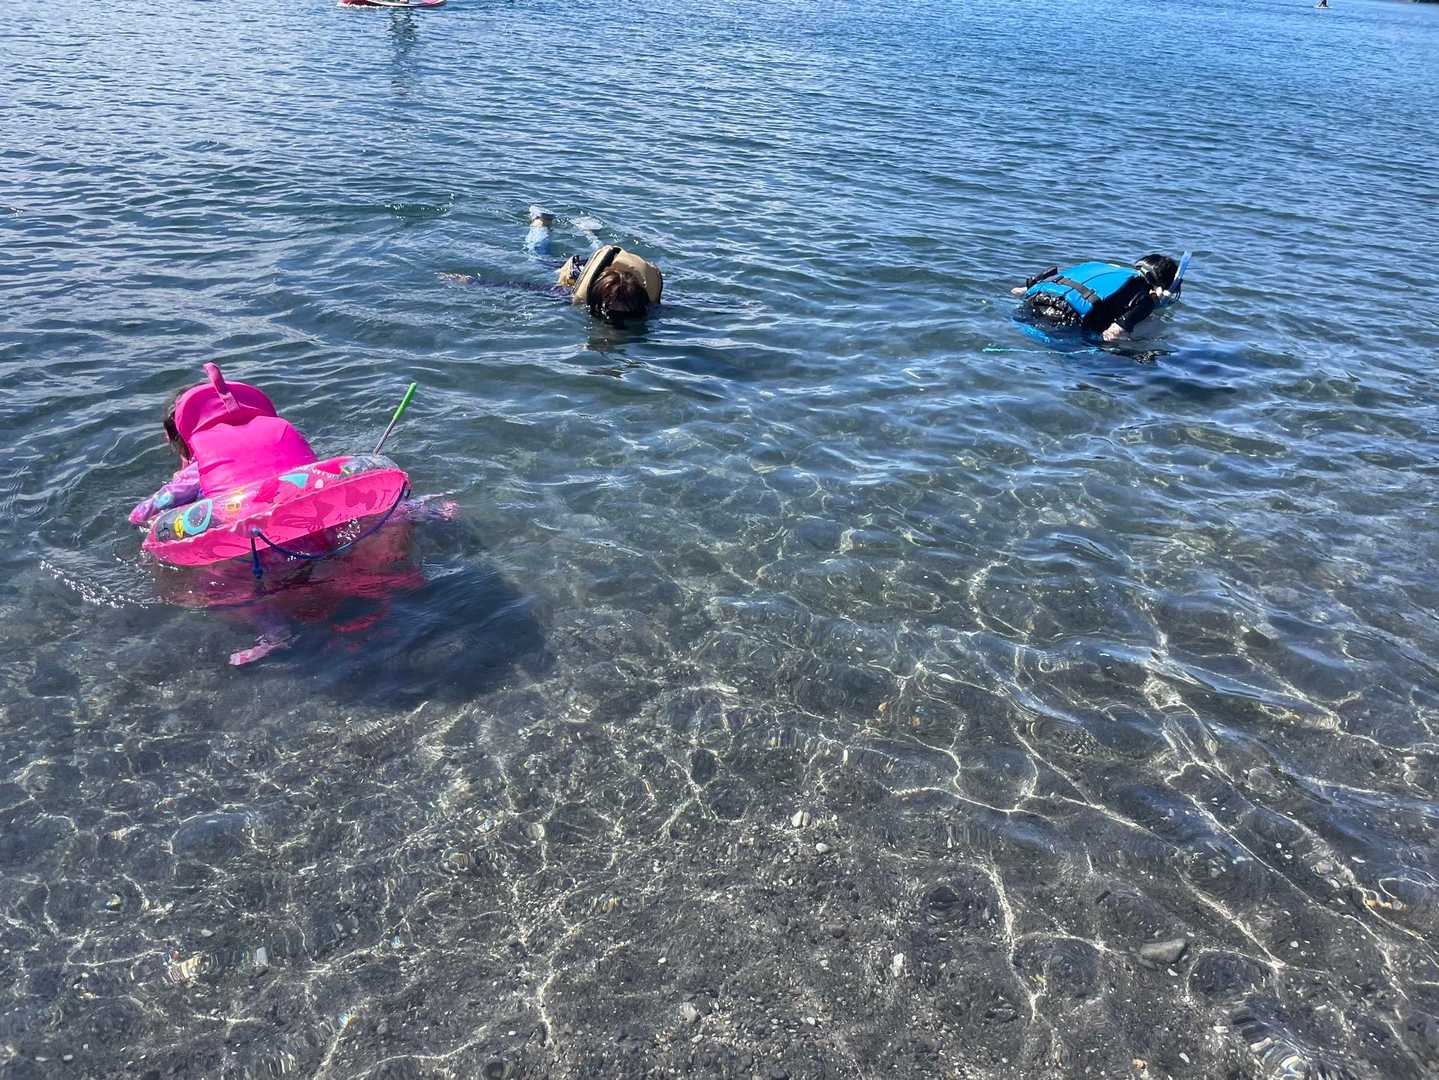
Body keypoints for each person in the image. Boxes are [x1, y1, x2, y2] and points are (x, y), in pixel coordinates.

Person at [1011, 253, 1183, 342]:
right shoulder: (1144, 298)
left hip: (1031, 302)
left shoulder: (1101, 266)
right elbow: (1113, 335)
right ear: (1161, 288)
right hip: (1062, 324)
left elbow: (1018, 291)